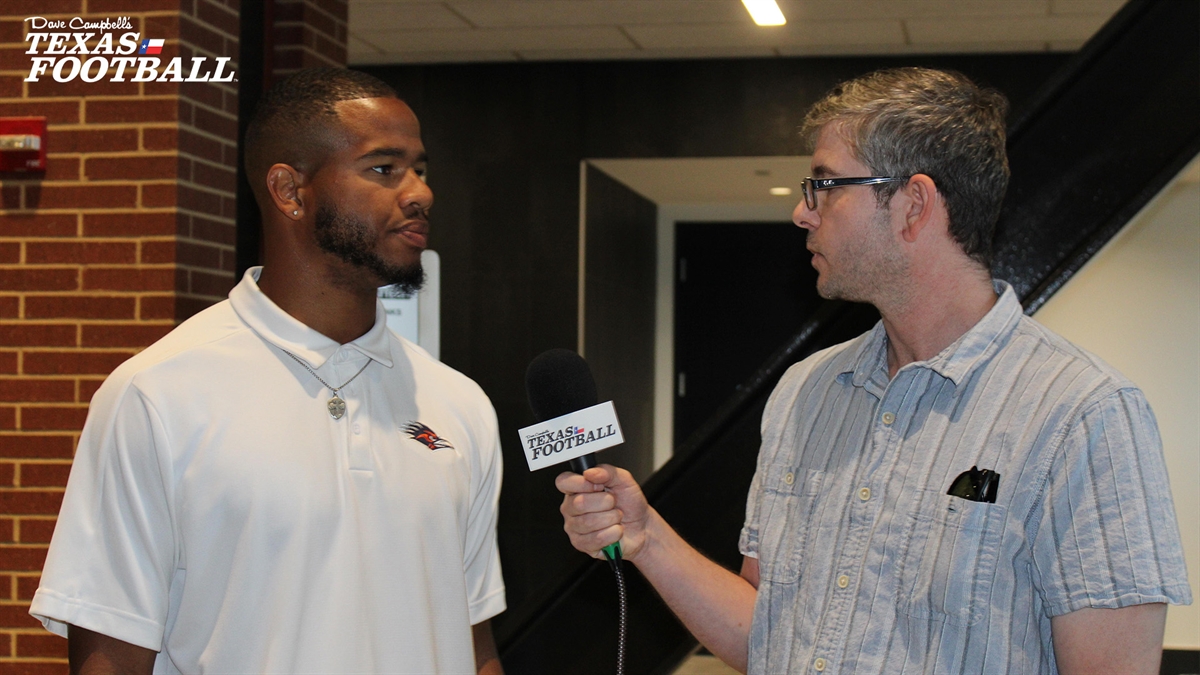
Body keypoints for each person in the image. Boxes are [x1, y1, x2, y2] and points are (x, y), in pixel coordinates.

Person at [557, 67, 1191, 675]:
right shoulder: (805, 391)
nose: (802, 213)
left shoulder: (1083, 415)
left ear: (913, 204)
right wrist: (647, 539)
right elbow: (768, 636)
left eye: (825, 186)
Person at [31, 68, 506, 674]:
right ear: (289, 190)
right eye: (384, 169)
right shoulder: (157, 394)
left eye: (420, 169)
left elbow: (472, 644)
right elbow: (112, 658)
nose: (419, 193)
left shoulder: (458, 404)